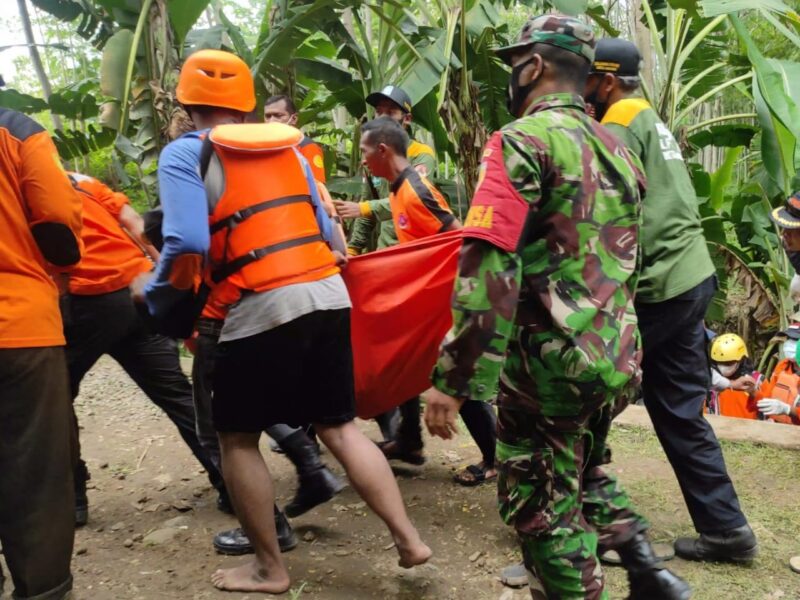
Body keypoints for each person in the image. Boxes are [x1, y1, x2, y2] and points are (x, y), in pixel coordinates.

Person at [135, 49, 430, 593]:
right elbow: (325, 229)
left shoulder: (183, 154)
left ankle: (270, 567)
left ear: (187, 102)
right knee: (339, 427)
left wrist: (155, 297)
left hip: (261, 302)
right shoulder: (290, 150)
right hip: (326, 292)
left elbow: (187, 242)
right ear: (247, 105)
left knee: (238, 438)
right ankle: (410, 541)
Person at [423, 16, 689, 599]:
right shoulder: (617, 145)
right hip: (613, 352)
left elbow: (489, 264)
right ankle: (648, 572)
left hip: (550, 366)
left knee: (541, 506)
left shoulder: (520, 142)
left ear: (534, 66)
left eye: (515, 62)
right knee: (582, 466)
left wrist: (455, 377)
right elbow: (623, 256)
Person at [583, 36, 757, 563]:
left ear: (607, 81)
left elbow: (608, 219)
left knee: (583, 395)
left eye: (588, 80)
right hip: (692, 276)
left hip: (658, 287)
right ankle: (726, 530)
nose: (583, 90)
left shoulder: (616, 127)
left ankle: (582, 527)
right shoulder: (651, 122)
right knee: (680, 410)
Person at [63, 172, 230, 527]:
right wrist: (160, 273)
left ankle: (73, 496)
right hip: (137, 291)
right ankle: (230, 483)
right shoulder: (82, 181)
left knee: (54, 398)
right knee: (177, 395)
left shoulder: (18, 191)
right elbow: (134, 222)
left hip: (86, 302)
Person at [358, 117, 497, 484]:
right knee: (405, 363)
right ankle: (408, 441)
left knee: (451, 375)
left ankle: (494, 456)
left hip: (443, 302)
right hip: (423, 300)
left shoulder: (417, 189)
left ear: (383, 150)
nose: (362, 159)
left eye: (364, 151)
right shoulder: (395, 187)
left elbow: (458, 240)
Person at [0, 107, 83, 600]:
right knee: (36, 473)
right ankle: (45, 592)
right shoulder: (17, 130)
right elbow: (57, 219)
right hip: (20, 324)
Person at [338, 84, 437, 253]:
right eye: (378, 111)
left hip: (417, 251)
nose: (382, 118)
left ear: (407, 119)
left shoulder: (421, 154)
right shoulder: (372, 157)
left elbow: (415, 200)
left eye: (391, 112)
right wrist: (353, 248)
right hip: (385, 252)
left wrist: (365, 208)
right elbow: (367, 208)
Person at [263, 94, 326, 182]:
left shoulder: (307, 147)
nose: (272, 121)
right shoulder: (262, 148)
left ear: (294, 119)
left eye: (278, 115)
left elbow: (317, 187)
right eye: (268, 116)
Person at [754, 323, 800, 425]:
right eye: (788, 339)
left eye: (795, 340)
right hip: (776, 426)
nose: (789, 343)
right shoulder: (783, 365)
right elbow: (769, 394)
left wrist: (787, 409)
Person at [708, 333, 759, 419]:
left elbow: (770, 412)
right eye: (719, 363)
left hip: (750, 430)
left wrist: (754, 392)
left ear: (741, 360)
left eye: (728, 363)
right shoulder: (711, 383)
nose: (723, 366)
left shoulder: (757, 380)